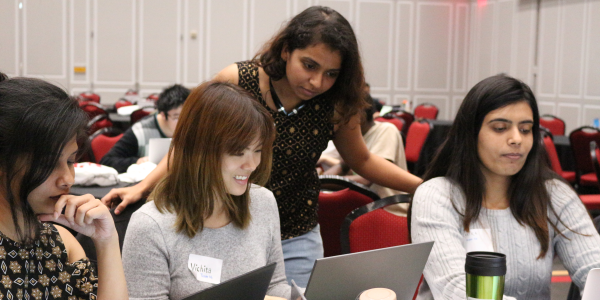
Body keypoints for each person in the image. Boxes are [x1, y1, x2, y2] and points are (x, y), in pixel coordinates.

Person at [103, 5, 422, 287]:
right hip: (231, 223)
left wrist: (425, 187)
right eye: (309, 65)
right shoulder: (240, 79)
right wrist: (144, 187)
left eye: (331, 73)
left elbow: (363, 160)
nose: (317, 82)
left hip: (297, 228)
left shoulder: (335, 101)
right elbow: (193, 140)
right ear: (286, 51)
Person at [410, 74, 600, 299]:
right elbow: (455, 290)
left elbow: (593, 269)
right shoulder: (437, 196)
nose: (516, 139)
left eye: (526, 129)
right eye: (500, 128)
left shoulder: (553, 194)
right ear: (470, 134)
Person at [121, 81, 290, 300]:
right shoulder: (150, 226)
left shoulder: (262, 202)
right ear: (199, 151)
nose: (251, 164)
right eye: (238, 153)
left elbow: (275, 286)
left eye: (257, 150)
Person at [0, 73, 127, 299]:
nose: (67, 179)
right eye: (48, 163)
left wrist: (107, 241)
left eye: (70, 161)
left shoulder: (60, 242)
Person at [322, 94, 407, 199]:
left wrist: (322, 182)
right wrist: (322, 179)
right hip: (366, 203)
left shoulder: (386, 130)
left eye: (341, 116)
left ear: (360, 116)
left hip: (386, 206)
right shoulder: (356, 139)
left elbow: (367, 180)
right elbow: (341, 167)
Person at [99, 84, 190, 173]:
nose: (183, 121)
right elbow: (107, 161)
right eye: (176, 117)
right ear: (163, 114)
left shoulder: (192, 129)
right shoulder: (140, 131)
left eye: (187, 115)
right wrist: (137, 162)